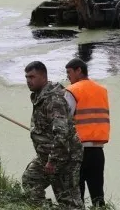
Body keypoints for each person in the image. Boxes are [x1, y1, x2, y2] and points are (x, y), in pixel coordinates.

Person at [22, 61, 84, 210]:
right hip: (48, 155)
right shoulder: (40, 97)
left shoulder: (53, 99)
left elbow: (62, 133)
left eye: (32, 77)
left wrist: (53, 161)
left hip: (64, 157)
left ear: (43, 77)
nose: (28, 81)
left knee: (68, 200)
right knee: (31, 180)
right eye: (26, 77)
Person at [64, 58, 110, 207]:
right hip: (97, 151)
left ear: (79, 70)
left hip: (78, 150)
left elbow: (64, 119)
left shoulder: (72, 90)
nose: (68, 77)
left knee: (78, 195)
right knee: (98, 194)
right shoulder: (101, 90)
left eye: (69, 72)